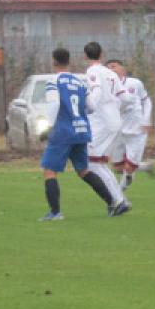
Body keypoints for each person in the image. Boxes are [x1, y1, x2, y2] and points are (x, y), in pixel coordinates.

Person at [38, 48, 120, 220]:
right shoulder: (80, 82)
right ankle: (112, 202)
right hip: (81, 130)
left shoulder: (54, 81)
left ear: (54, 62)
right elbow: (91, 107)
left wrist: (49, 127)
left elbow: (54, 105)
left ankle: (55, 212)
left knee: (49, 171)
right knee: (83, 170)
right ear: (69, 62)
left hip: (63, 132)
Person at [82, 42, 131, 215]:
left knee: (91, 163)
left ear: (85, 56)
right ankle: (120, 200)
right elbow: (126, 97)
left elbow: (95, 92)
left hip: (101, 122)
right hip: (114, 121)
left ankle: (118, 201)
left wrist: (90, 107)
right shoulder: (110, 73)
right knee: (99, 163)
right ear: (101, 54)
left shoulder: (92, 71)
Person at [106, 60, 155, 190]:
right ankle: (145, 167)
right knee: (118, 168)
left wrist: (146, 120)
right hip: (118, 132)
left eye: (114, 66)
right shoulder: (106, 87)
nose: (111, 69)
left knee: (129, 168)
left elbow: (146, 101)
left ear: (122, 69)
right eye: (108, 68)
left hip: (136, 131)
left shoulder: (135, 83)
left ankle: (119, 195)